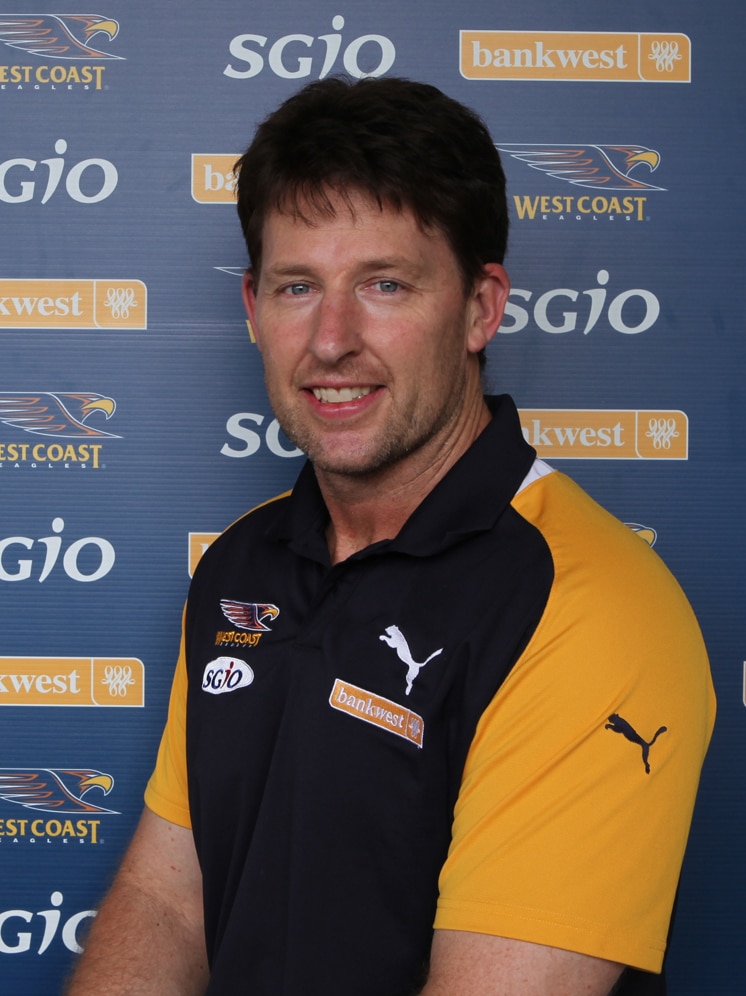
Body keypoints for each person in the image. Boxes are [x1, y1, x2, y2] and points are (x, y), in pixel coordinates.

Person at [67, 77, 715, 996]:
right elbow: (172, 901)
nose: (332, 340)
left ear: (482, 309)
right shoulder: (240, 565)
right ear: (252, 310)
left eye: (384, 284)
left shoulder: (592, 605)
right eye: (299, 287)